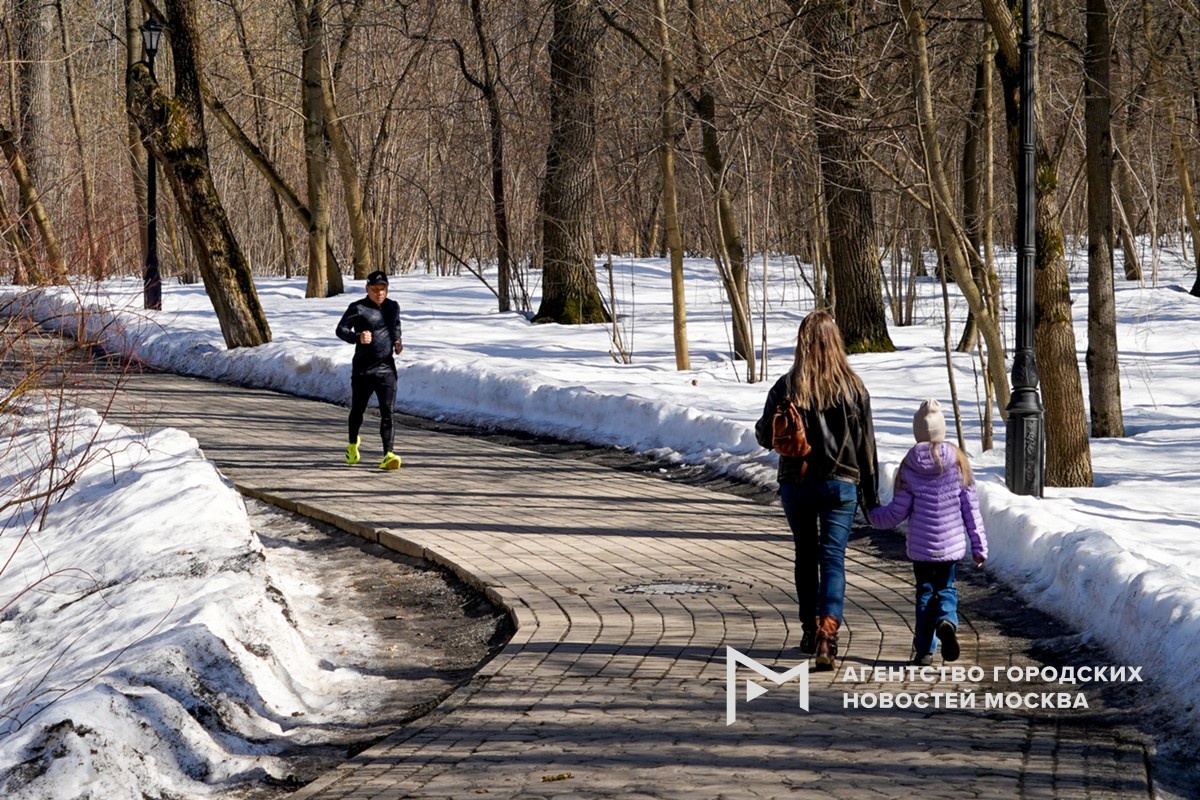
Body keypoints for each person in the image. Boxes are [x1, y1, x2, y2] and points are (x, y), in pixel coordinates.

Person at [755, 310, 879, 671]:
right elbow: (866, 446)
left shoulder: (786, 386)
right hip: (841, 485)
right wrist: (870, 498)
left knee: (805, 556)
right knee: (833, 558)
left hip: (796, 483)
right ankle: (828, 633)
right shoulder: (853, 389)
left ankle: (809, 631)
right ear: (835, 343)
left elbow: (765, 437)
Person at [866, 399, 988, 667]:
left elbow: (897, 511)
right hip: (951, 546)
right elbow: (971, 510)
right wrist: (979, 547)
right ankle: (947, 621)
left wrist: (873, 514)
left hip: (921, 549)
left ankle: (923, 651)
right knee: (946, 588)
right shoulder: (959, 464)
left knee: (924, 593)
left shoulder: (909, 466)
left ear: (917, 432)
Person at [336, 270, 404, 470]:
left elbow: (396, 326)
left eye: (383, 289)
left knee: (388, 412)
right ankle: (352, 445)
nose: (379, 293)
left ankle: (388, 454)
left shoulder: (393, 307)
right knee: (358, 410)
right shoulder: (357, 308)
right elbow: (340, 329)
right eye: (375, 289)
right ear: (367, 289)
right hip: (363, 370)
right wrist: (357, 337)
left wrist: (398, 341)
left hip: (386, 369)